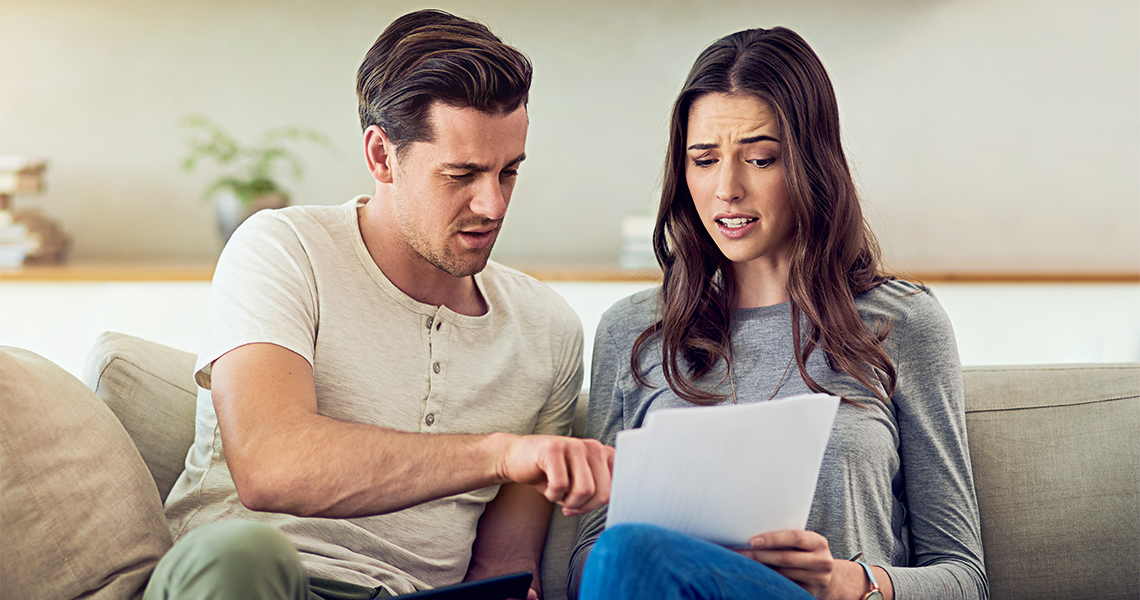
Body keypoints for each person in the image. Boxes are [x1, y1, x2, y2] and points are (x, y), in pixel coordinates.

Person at [145, 9, 613, 600]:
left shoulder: (547, 330)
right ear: (381, 156)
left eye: (508, 172)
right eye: (461, 174)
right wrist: (499, 453)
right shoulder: (284, 250)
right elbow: (270, 465)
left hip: (409, 595)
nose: (493, 205)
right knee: (241, 552)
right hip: (258, 580)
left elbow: (505, 568)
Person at [568, 26, 987, 600]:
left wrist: (851, 582)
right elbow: (588, 567)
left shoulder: (903, 323)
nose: (727, 189)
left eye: (761, 159)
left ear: (813, 165)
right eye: (704, 159)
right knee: (623, 554)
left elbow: (965, 575)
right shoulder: (633, 331)